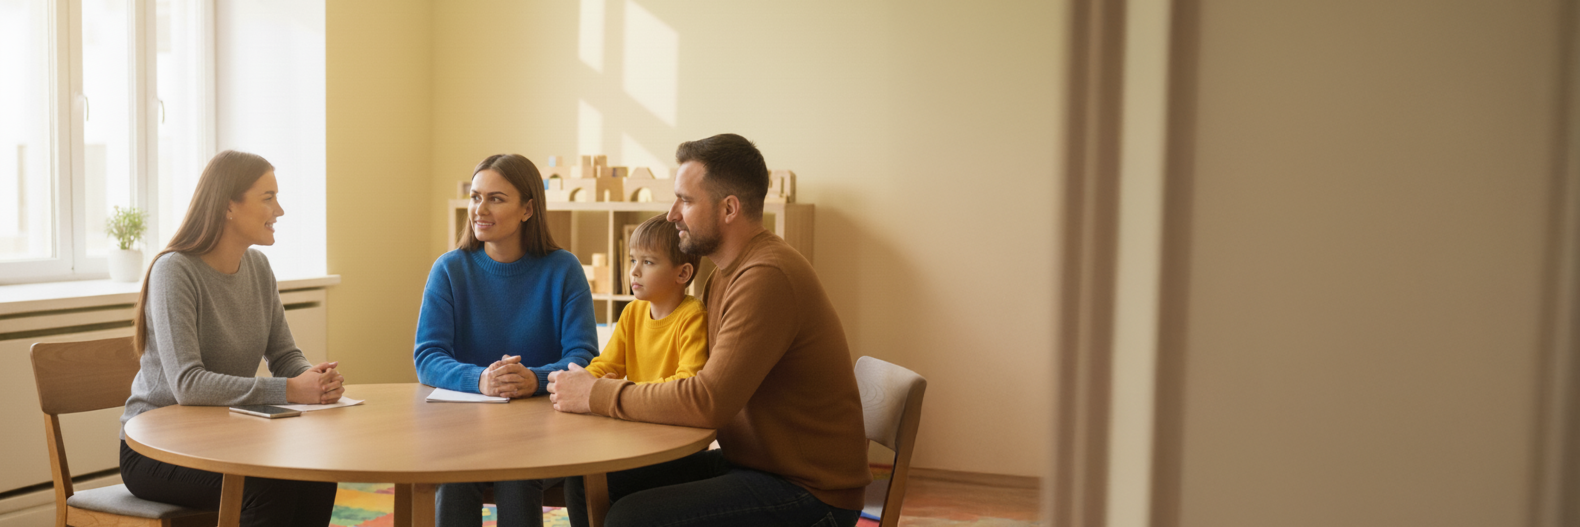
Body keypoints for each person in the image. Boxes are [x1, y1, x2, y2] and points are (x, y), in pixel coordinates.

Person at [548, 134, 871, 527]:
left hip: (809, 491)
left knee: (632, 518)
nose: (671, 214)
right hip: (754, 464)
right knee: (588, 480)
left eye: (685, 200)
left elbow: (707, 401)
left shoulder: (765, 277)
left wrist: (598, 394)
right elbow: (705, 386)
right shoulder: (724, 276)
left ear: (729, 208)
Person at [119, 150, 346, 527]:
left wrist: (314, 381)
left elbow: (285, 354)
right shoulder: (174, 271)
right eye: (268, 198)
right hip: (155, 451)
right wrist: (291, 390)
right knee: (269, 486)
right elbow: (188, 385)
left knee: (315, 474)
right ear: (228, 207)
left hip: (226, 439)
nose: (280, 210)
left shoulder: (258, 267)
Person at [413, 153, 599, 527]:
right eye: (476, 196)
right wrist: (481, 379)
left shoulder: (564, 269)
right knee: (453, 480)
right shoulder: (449, 269)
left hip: (544, 431)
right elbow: (428, 356)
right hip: (466, 432)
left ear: (528, 209)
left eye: (496, 198)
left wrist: (533, 378)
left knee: (517, 476)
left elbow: (584, 357)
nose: (480, 209)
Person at [582, 213, 708, 384]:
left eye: (648, 262)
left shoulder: (693, 316)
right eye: (633, 260)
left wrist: (624, 389)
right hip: (634, 407)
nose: (634, 271)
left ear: (682, 273)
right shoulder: (631, 312)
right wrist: (582, 380)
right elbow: (606, 365)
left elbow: (687, 382)